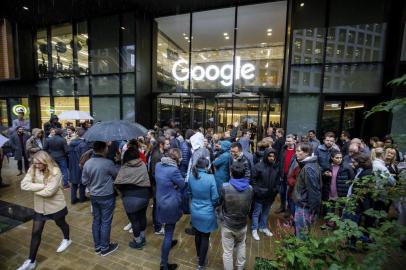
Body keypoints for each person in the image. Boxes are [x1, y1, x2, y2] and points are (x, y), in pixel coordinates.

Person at [18, 151, 71, 270]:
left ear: (45, 161)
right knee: (36, 232)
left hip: (55, 206)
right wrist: (42, 186)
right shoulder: (33, 168)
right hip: (40, 207)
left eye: (39, 163)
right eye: (34, 163)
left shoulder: (55, 171)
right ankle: (31, 261)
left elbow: (49, 192)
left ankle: (67, 239)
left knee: (61, 223)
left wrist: (34, 188)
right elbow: (23, 184)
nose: (36, 165)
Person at [82, 141, 119, 256]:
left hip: (94, 196)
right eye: (107, 147)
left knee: (96, 220)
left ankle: (98, 246)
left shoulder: (87, 163)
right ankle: (105, 247)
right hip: (107, 196)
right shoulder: (108, 163)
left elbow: (84, 181)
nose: (108, 149)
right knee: (106, 221)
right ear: (103, 149)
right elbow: (116, 175)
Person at [219, 162, 253, 270]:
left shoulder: (225, 187)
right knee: (241, 245)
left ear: (231, 173)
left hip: (227, 224)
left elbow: (220, 202)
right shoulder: (250, 188)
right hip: (242, 223)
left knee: (228, 251)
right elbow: (249, 205)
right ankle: (240, 267)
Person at [115, 147, 151, 249]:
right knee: (142, 217)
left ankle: (138, 242)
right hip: (144, 195)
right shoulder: (143, 164)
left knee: (134, 221)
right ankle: (143, 237)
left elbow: (118, 183)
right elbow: (146, 179)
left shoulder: (124, 167)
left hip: (130, 197)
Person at [155, 148, 185, 270]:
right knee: (168, 232)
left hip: (160, 201)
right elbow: (182, 184)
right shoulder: (174, 170)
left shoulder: (158, 165)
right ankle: (164, 264)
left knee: (168, 228)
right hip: (170, 204)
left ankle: (170, 242)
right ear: (177, 159)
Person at [188, 158, 219, 269]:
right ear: (206, 166)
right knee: (205, 236)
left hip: (195, 210)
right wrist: (213, 205)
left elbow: (190, 192)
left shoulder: (191, 176)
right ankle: (201, 263)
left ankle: (198, 257)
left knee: (197, 234)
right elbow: (215, 197)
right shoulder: (210, 178)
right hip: (207, 211)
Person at [292, 143, 321, 239]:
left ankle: (300, 252)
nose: (296, 153)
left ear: (307, 153)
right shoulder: (307, 165)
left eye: (298, 151)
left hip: (304, 206)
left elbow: (313, 191)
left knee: (302, 233)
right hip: (302, 204)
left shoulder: (308, 168)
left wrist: (313, 210)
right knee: (300, 230)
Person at [251, 148, 279, 240]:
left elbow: (278, 180)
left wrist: (276, 190)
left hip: (270, 195)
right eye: (270, 156)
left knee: (266, 212)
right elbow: (252, 180)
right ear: (266, 156)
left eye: (273, 156)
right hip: (260, 195)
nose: (272, 158)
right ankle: (254, 229)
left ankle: (263, 227)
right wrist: (257, 191)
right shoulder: (258, 166)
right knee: (256, 213)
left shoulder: (275, 167)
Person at [149, 137, 170, 234]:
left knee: (158, 206)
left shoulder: (160, 153)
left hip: (158, 185)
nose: (168, 145)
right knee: (157, 206)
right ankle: (157, 228)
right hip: (157, 186)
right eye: (167, 144)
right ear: (161, 144)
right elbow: (154, 173)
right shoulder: (157, 156)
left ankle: (158, 224)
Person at [67, 128, 89, 204]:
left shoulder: (71, 143)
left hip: (72, 165)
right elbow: (84, 157)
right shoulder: (84, 144)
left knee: (74, 183)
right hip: (80, 166)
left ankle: (73, 199)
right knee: (82, 182)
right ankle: (82, 198)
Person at [277, 134, 296, 214]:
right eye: (287, 141)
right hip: (283, 174)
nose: (287, 142)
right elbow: (280, 161)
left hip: (291, 175)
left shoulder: (297, 151)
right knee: (282, 191)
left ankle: (288, 209)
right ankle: (282, 207)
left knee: (289, 193)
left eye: (289, 141)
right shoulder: (283, 149)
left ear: (294, 141)